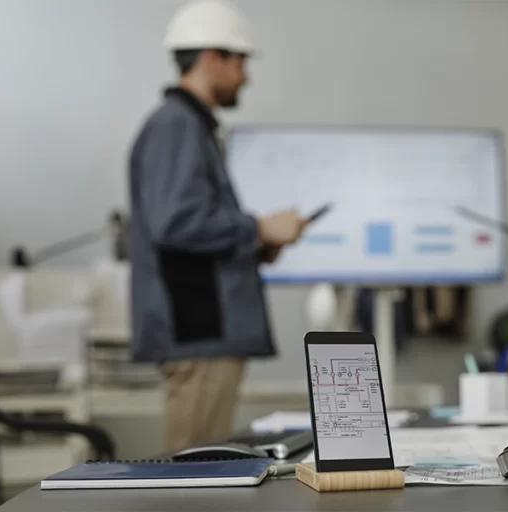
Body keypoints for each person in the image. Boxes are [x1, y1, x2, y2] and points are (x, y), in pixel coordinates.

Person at [128, 0, 308, 451]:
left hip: (206, 336)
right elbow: (176, 221)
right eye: (241, 60)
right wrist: (259, 230)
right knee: (198, 480)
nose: (246, 75)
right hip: (199, 335)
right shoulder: (176, 126)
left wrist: (255, 243)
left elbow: (189, 222)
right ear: (212, 57)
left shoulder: (190, 126)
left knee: (206, 472)